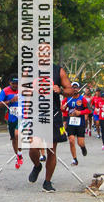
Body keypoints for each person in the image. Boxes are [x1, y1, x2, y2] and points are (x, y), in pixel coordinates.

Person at [27, 63, 73, 191]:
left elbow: (70, 90)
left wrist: (61, 90)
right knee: (33, 145)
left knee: (51, 150)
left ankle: (47, 182)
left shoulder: (58, 71)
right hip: (36, 114)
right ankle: (37, 166)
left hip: (54, 114)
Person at [0, 77, 23, 168]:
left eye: (17, 84)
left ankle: (19, 152)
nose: (15, 85)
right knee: (13, 138)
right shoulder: (5, 91)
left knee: (17, 134)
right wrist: (10, 101)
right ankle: (18, 155)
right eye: (13, 84)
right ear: (9, 83)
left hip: (21, 117)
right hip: (11, 117)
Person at [64, 81, 88, 165]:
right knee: (71, 140)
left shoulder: (82, 99)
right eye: (73, 87)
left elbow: (89, 110)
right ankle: (74, 159)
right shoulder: (67, 99)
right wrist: (63, 108)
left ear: (79, 89)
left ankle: (83, 147)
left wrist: (80, 113)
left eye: (76, 87)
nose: (74, 89)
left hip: (80, 123)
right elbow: (62, 108)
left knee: (80, 142)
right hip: (70, 122)